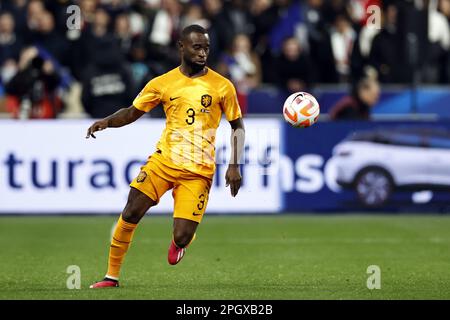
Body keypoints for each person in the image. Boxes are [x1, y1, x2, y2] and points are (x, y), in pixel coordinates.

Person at [86, 25, 245, 288]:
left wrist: (234, 166)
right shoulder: (162, 83)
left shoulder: (222, 86)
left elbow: (238, 126)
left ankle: (180, 243)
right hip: (163, 162)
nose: (203, 53)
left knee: (182, 236)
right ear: (181, 47)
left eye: (206, 48)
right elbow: (131, 112)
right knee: (131, 210)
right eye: (197, 47)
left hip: (198, 171)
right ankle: (111, 276)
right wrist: (106, 122)